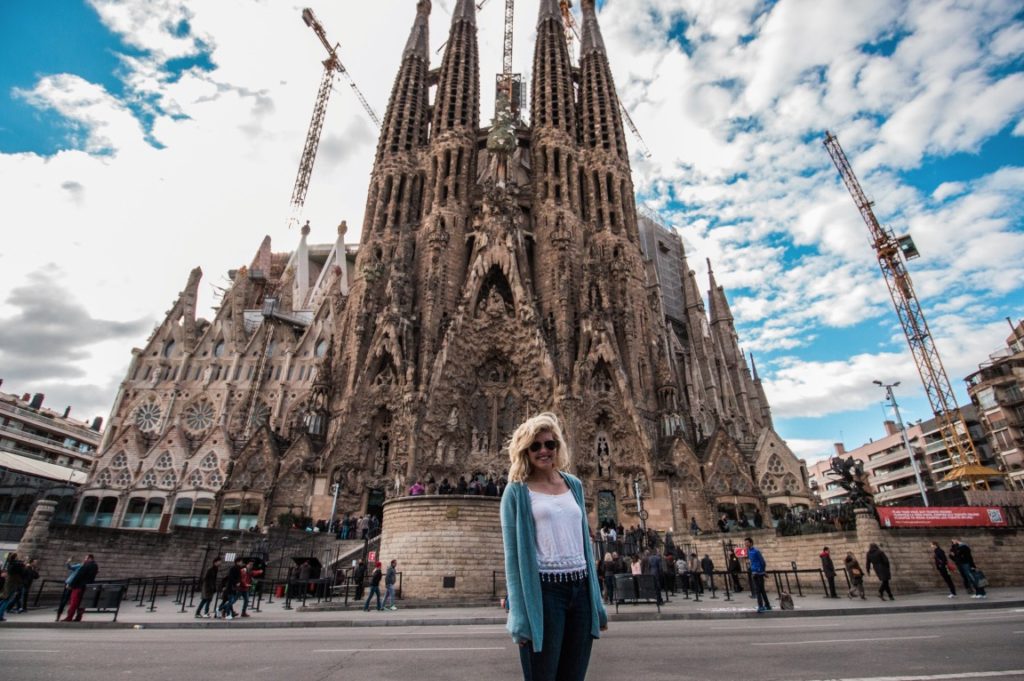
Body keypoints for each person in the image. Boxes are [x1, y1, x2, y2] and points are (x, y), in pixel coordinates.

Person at [501, 412, 607, 681]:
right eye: (535, 446)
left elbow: (583, 544)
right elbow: (513, 559)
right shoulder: (516, 491)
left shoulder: (574, 485)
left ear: (558, 446)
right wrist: (519, 616)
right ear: (525, 451)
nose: (544, 450)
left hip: (580, 590)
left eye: (550, 444)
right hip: (546, 593)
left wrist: (597, 603)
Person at [63, 554, 99, 622]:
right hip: (87, 587)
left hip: (78, 587)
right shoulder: (95, 566)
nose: (85, 560)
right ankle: (78, 617)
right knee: (82, 603)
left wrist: (71, 585)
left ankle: (69, 617)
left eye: (86, 558)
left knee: (74, 602)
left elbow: (78, 576)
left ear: (90, 559)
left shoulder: (85, 565)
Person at [745, 537, 770, 612]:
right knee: (761, 590)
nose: (745, 544)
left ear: (751, 543)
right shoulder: (748, 551)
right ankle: (767, 605)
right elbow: (752, 562)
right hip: (754, 572)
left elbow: (762, 562)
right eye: (745, 543)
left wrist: (763, 571)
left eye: (747, 542)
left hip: (759, 573)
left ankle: (761, 606)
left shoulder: (756, 551)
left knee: (758, 590)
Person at [0, 552, 25, 621]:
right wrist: (23, 565)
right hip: (12, 584)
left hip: (9, 583)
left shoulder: (10, 564)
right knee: (6, 600)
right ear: (15, 557)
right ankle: (0, 615)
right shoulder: (16, 565)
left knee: (4, 599)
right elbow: (22, 572)